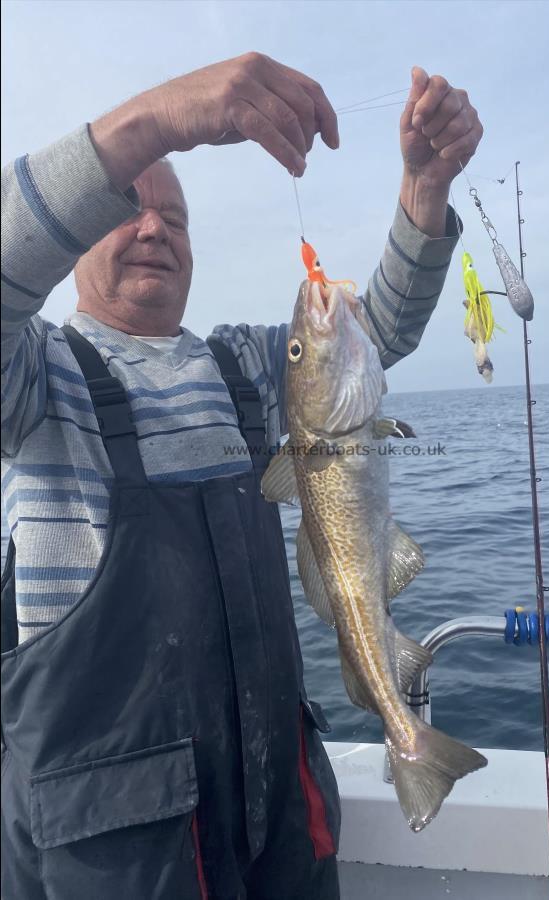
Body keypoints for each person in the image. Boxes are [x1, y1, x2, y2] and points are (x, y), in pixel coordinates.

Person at [0, 52, 482, 900]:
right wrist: (157, 122)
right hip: (118, 853)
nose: (153, 230)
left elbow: (377, 339)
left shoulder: (249, 372)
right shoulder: (32, 378)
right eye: (126, 210)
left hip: (277, 816)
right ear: (74, 235)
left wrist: (424, 192)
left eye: (176, 220)